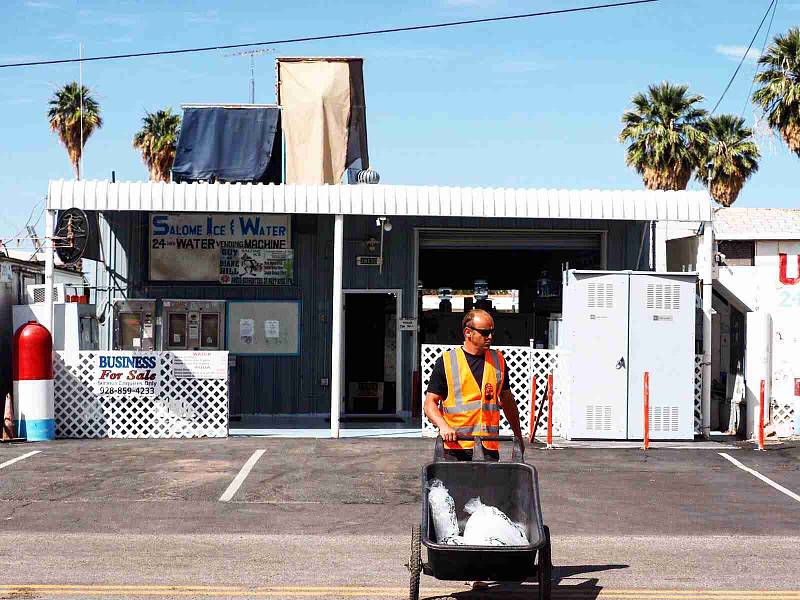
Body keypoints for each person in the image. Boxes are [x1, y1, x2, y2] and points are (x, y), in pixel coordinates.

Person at [423, 309, 525, 462]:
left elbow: (507, 401)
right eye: (484, 333)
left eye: (491, 332)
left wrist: (518, 437)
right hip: (456, 448)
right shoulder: (447, 362)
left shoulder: (498, 361)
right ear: (468, 332)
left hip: (488, 447)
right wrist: (443, 426)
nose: (490, 337)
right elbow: (430, 403)